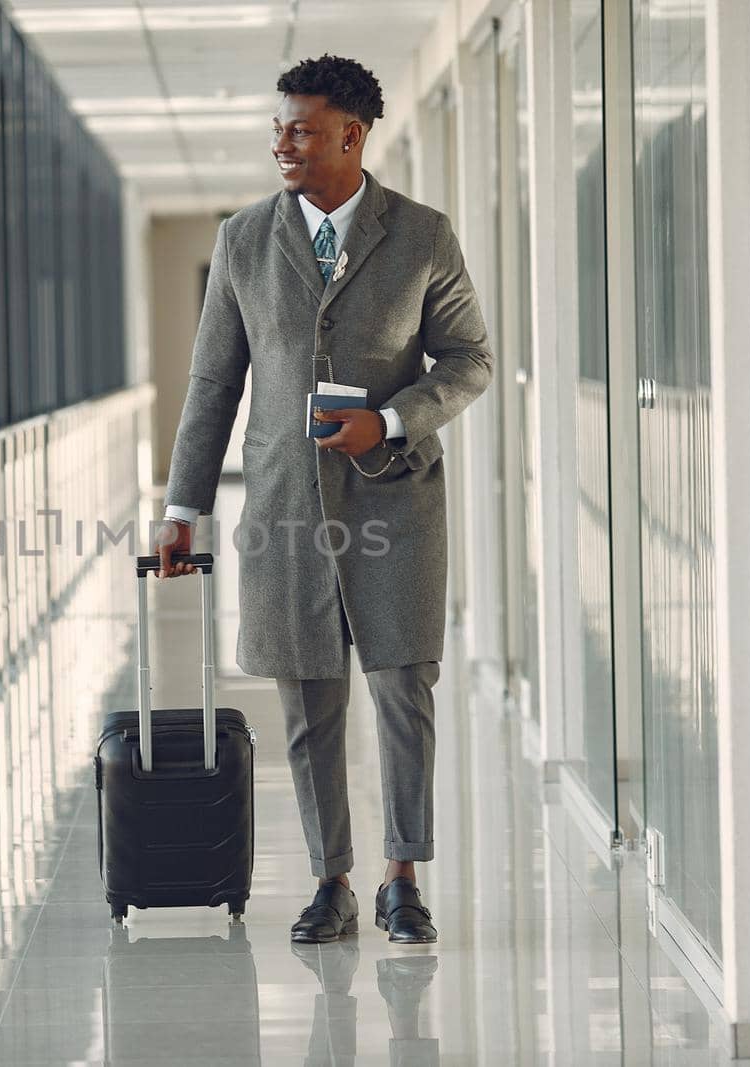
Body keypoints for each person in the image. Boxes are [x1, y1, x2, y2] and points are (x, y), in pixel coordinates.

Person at [152, 54, 493, 945]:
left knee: (401, 690)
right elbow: (211, 384)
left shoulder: (422, 234)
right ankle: (330, 879)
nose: (283, 143)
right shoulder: (243, 240)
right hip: (286, 508)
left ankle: (402, 875)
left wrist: (389, 420)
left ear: (352, 134)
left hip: (396, 502)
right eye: (278, 128)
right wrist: (183, 508)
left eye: (301, 129)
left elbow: (469, 360)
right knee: (308, 702)